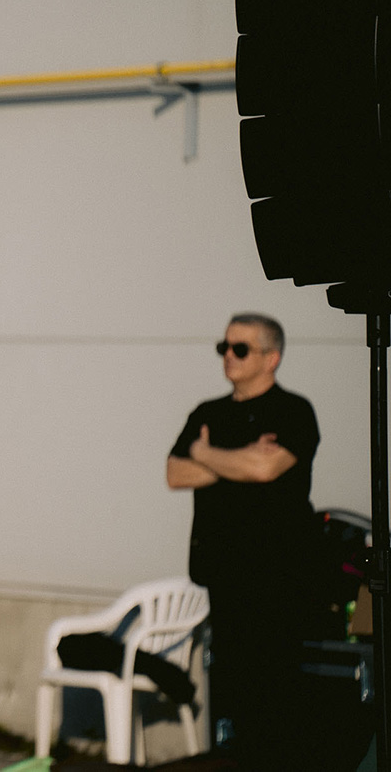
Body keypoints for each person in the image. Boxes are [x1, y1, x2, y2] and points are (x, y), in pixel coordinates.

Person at [166, 313, 319, 769]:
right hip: (224, 575)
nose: (228, 356)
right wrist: (235, 460)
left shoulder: (293, 411)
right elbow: (175, 473)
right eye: (225, 347)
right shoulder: (208, 414)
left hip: (278, 579)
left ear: (272, 358)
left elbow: (265, 468)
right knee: (231, 695)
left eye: (241, 349)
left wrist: (206, 454)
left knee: (275, 695)